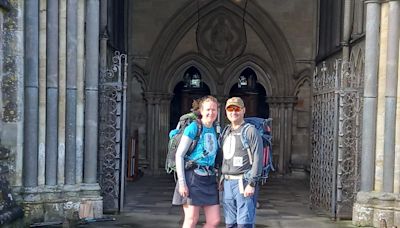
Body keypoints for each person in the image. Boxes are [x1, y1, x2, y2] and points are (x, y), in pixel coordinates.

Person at [172, 95, 221, 228]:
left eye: (214, 109)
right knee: (191, 220)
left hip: (209, 178)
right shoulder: (194, 127)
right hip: (192, 177)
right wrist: (182, 183)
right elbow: (179, 155)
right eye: (208, 109)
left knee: (214, 220)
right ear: (201, 110)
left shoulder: (217, 129)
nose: (211, 112)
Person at [220, 97, 263, 228]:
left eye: (237, 109)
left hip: (243, 182)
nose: (234, 112)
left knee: (244, 223)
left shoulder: (250, 131)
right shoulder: (226, 131)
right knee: (230, 223)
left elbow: (258, 158)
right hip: (227, 183)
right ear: (226, 112)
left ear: (243, 110)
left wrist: (252, 183)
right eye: (230, 109)